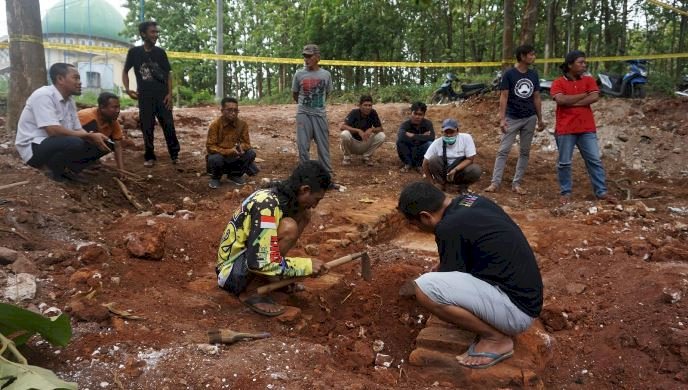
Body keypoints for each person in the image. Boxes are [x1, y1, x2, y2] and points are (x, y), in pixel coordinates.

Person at [397, 181, 543, 369]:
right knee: (436, 279)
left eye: (414, 224)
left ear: (425, 216)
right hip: (526, 298)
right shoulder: (471, 201)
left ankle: (496, 339)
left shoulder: (447, 227)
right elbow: (475, 246)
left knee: (426, 288)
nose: (416, 229)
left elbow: (449, 276)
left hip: (516, 313)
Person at [215, 160, 330, 316]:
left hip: (247, 261)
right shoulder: (267, 205)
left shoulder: (284, 200)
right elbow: (259, 262)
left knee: (303, 215)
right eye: (317, 199)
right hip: (231, 274)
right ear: (305, 190)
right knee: (289, 227)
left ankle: (269, 278)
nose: (315, 205)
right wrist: (305, 266)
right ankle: (251, 291)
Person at [15, 63, 111, 183]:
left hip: (56, 143)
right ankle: (50, 169)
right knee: (75, 141)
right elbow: (53, 130)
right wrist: (86, 136)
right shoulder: (44, 95)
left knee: (105, 144)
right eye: (75, 78)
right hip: (34, 147)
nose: (80, 82)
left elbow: (77, 128)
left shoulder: (70, 100)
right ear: (60, 79)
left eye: (79, 78)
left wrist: (91, 138)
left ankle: (68, 170)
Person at [551, 50, 616, 205]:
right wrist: (582, 96)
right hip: (565, 129)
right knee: (564, 162)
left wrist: (571, 101)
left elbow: (594, 97)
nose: (584, 65)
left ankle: (601, 192)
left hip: (586, 129)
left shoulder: (589, 80)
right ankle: (565, 193)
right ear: (570, 65)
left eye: (584, 62)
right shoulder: (558, 82)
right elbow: (560, 100)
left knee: (594, 160)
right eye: (580, 62)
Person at [485, 44, 545, 195]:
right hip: (512, 117)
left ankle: (516, 183)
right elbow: (503, 96)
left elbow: (536, 97)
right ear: (522, 56)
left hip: (529, 118)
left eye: (533, 54)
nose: (533, 57)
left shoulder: (533, 74)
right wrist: (502, 118)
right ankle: (495, 183)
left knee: (525, 152)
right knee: (503, 150)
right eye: (531, 54)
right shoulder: (509, 74)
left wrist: (540, 119)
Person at [123, 20, 180, 167]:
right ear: (143, 34)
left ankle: (174, 155)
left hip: (162, 97)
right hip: (145, 97)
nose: (156, 35)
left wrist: (169, 94)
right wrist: (128, 89)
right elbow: (125, 71)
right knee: (147, 127)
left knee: (168, 125)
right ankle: (149, 156)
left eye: (157, 32)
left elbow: (168, 74)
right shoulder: (134, 53)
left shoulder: (160, 53)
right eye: (152, 32)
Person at [292, 44, 334, 176]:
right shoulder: (299, 74)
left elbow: (327, 93)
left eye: (309, 56)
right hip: (303, 114)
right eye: (305, 56)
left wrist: (317, 105)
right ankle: (305, 175)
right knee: (303, 146)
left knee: (323, 146)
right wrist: (304, 105)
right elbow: (295, 94)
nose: (306, 59)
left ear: (317, 58)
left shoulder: (326, 75)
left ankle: (327, 174)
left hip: (319, 114)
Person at [206, 97, 258, 189]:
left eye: (235, 110)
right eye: (229, 110)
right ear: (222, 110)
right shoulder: (215, 125)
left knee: (251, 153)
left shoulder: (242, 124)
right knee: (215, 158)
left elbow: (247, 143)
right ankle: (215, 178)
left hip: (235, 156)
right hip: (220, 157)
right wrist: (229, 151)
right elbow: (210, 147)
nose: (233, 113)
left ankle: (234, 175)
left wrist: (241, 148)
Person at [422, 118, 481, 193]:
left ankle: (462, 186)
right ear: (442, 132)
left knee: (475, 169)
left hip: (459, 171)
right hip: (443, 171)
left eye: (452, 132)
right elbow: (425, 163)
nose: (449, 135)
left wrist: (455, 170)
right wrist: (431, 181)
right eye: (446, 132)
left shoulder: (466, 138)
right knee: (433, 159)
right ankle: (442, 184)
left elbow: (470, 159)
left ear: (457, 131)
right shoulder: (437, 143)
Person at [78, 92, 125, 172]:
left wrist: (121, 170)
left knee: (111, 143)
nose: (118, 111)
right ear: (102, 107)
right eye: (114, 107)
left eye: (119, 107)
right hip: (73, 146)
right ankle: (77, 164)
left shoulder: (113, 121)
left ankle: (89, 162)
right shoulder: (86, 116)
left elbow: (118, 146)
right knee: (91, 130)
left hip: (89, 146)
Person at [339, 95, 386, 166]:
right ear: (360, 106)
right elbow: (342, 127)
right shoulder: (354, 113)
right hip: (352, 144)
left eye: (370, 105)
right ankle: (347, 157)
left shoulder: (373, 113)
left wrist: (371, 129)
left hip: (364, 142)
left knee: (381, 136)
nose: (368, 108)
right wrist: (358, 130)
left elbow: (380, 128)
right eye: (365, 105)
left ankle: (366, 156)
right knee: (344, 134)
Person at [396, 102, 435, 172]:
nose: (417, 117)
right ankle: (408, 164)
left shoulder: (428, 124)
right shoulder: (405, 124)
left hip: (420, 152)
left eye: (420, 114)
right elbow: (401, 136)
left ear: (424, 115)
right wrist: (423, 136)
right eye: (415, 113)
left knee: (430, 144)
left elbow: (432, 138)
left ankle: (420, 164)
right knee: (400, 142)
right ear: (411, 113)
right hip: (409, 151)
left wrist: (413, 135)